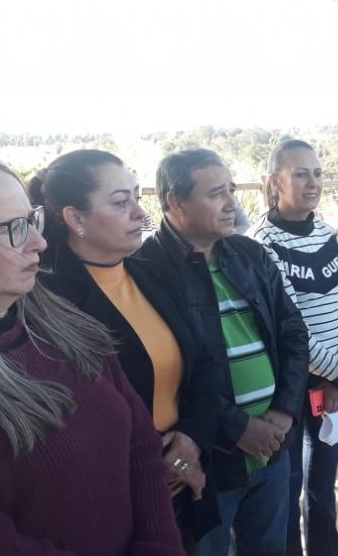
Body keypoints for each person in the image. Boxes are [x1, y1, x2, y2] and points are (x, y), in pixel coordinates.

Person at [0, 153, 184, 555]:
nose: (39, 241)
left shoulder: (66, 324)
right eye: (12, 228)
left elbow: (139, 444)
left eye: (31, 219)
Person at [28, 149, 221, 545]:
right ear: (75, 218)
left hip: (186, 480)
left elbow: (205, 360)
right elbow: (74, 417)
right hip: (114, 498)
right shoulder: (46, 302)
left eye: (136, 196)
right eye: (121, 202)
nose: (139, 212)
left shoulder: (154, 272)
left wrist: (191, 439)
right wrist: (154, 462)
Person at [136, 148, 309, 556]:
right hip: (209, 462)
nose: (233, 203)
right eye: (217, 194)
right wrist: (238, 430)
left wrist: (283, 412)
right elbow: (168, 373)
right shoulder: (145, 271)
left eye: (232, 190)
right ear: (174, 202)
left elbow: (293, 334)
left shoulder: (250, 255)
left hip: (272, 449)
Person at [253, 139, 338, 556]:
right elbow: (292, 327)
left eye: (317, 172)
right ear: (275, 182)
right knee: (288, 487)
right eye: (301, 173)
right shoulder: (263, 245)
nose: (313, 182)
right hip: (293, 389)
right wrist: (337, 373)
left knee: (323, 488)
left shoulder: (328, 235)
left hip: (335, 386)